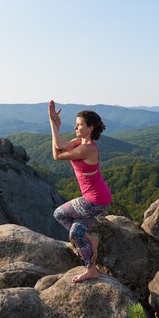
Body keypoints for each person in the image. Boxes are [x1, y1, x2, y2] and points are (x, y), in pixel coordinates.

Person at [49, 100, 112, 283]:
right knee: (74, 230)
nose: (76, 127)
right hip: (95, 198)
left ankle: (90, 263)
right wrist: (55, 125)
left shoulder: (86, 149)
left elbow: (58, 154)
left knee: (60, 214)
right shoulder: (79, 142)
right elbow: (58, 149)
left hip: (96, 200)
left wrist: (53, 125)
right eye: (76, 124)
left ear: (90, 127)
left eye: (80, 125)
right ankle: (90, 243)